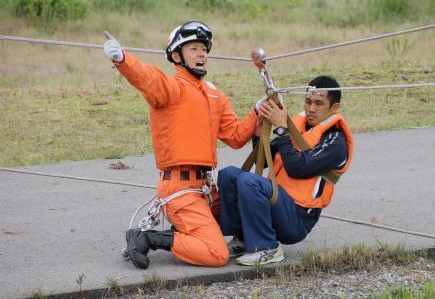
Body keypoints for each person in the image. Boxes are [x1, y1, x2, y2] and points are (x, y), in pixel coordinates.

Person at [103, 21, 258, 269]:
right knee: (216, 254)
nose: (202, 54)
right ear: (177, 56)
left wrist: (259, 111)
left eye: (204, 49)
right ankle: (147, 238)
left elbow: (236, 136)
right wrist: (122, 59)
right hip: (180, 190)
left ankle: (186, 231)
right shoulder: (171, 88)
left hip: (206, 189)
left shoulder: (215, 95)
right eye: (194, 48)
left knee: (250, 204)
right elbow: (148, 78)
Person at [218, 75, 354, 266]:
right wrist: (259, 132)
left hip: (297, 219)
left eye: (319, 103)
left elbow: (298, 168)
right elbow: (265, 162)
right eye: (308, 102)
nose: (311, 109)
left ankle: (267, 247)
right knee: (229, 175)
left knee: (249, 181)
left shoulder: (336, 142)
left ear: (334, 108)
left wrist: (282, 129)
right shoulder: (300, 127)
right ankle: (242, 239)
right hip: (278, 203)